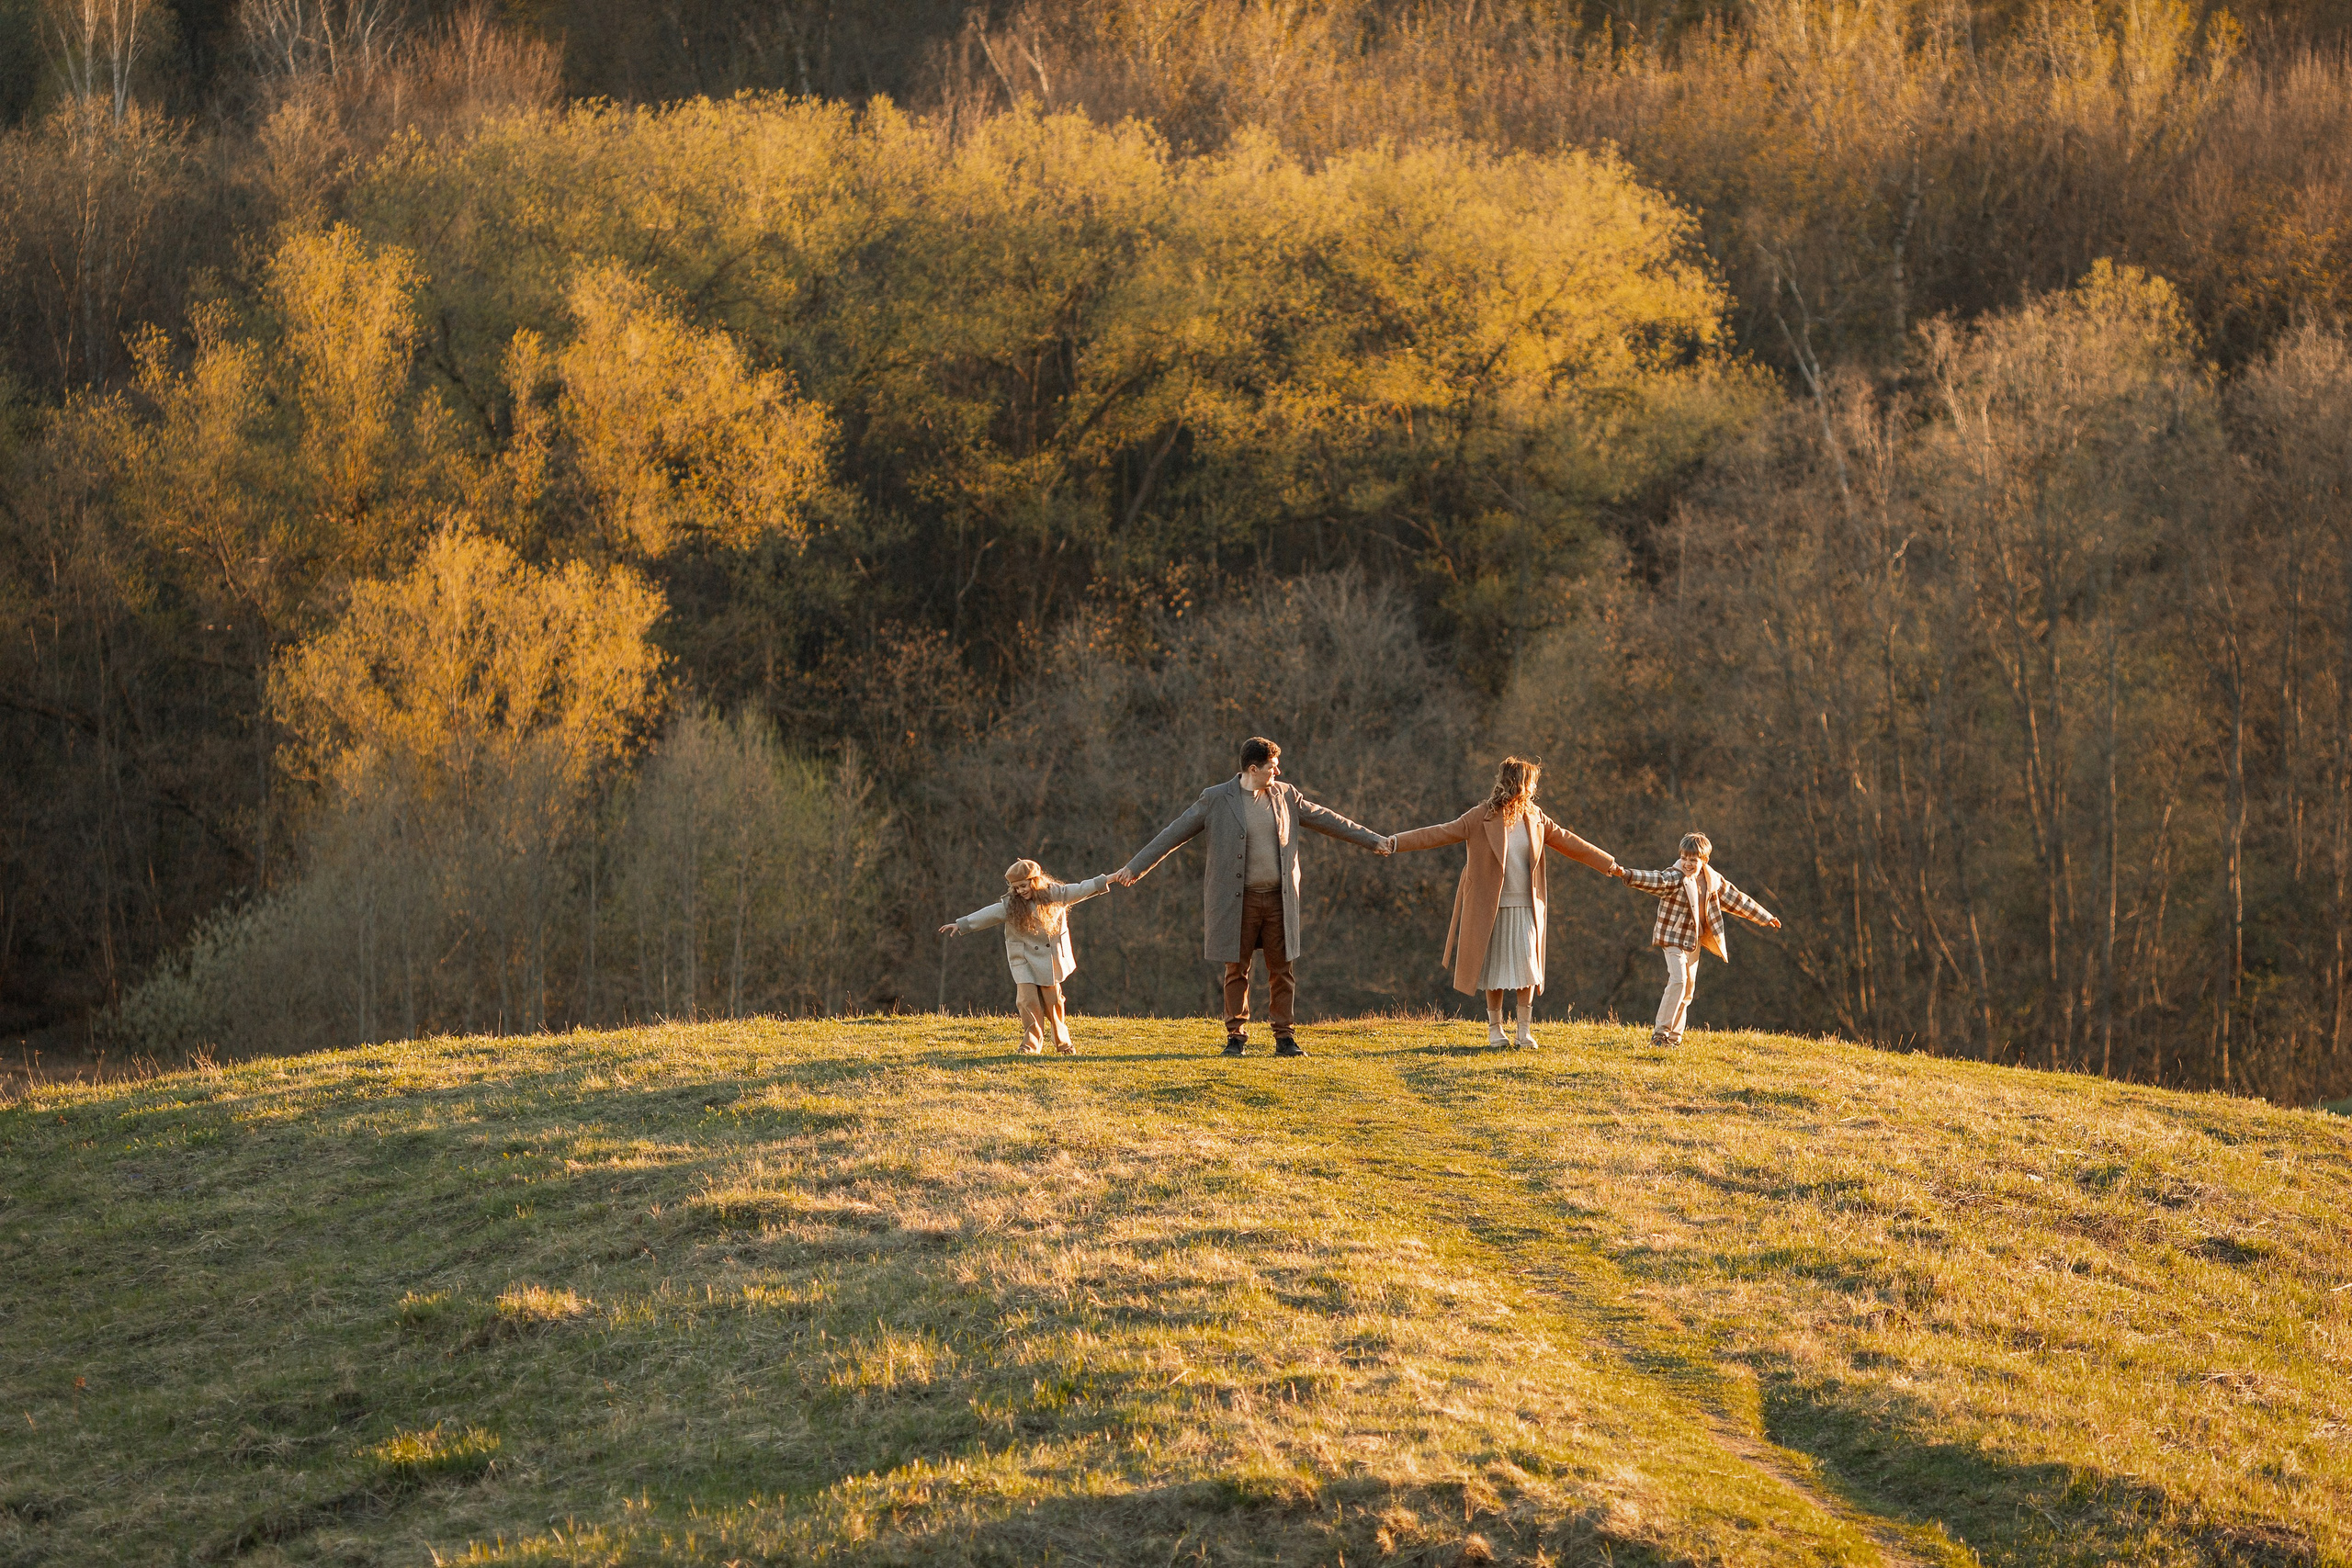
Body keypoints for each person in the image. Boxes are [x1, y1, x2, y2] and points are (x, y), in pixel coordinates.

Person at [1111, 737, 1390, 1057]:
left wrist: (1373, 840)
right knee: (1236, 969)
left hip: (1278, 899)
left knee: (1282, 970)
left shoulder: (1286, 795)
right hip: (1236, 902)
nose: (1278, 771)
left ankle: (1285, 1038)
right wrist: (1135, 867)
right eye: (1272, 767)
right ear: (1253, 769)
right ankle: (1235, 1038)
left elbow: (1329, 819)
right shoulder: (1216, 799)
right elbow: (1174, 832)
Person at [1387, 756, 1618, 1048]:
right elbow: (1440, 833)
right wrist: (1396, 842)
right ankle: (1495, 1029)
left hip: (1525, 905)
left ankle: (1524, 1031)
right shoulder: (1480, 816)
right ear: (1520, 783)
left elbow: (1569, 841)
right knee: (1494, 970)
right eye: (1532, 782)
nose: (1534, 788)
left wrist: (1608, 864)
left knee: (1527, 968)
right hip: (1489, 907)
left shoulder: (1535, 817)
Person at [1611, 831, 1781, 1048]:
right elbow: (1654, 879)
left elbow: (1738, 900)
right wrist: (1626, 874)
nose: (1688, 863)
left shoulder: (1713, 881)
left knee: (1688, 990)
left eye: (1693, 859)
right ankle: (1660, 1034)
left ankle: (1674, 1039)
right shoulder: (1675, 877)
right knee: (1678, 980)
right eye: (1684, 858)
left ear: (1704, 860)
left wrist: (1765, 917)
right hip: (1673, 938)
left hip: (1693, 941)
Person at [939, 859, 1114, 1055]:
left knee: (1054, 1002)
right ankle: (1030, 1046)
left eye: (1023, 886)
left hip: (1050, 958)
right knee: (1026, 1001)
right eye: (1016, 888)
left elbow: (1082, 889)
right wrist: (961, 924)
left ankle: (1064, 1045)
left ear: (1035, 881)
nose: (1020, 891)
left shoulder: (1056, 894)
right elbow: (988, 914)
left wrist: (1111, 878)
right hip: (1023, 958)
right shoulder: (1011, 904)